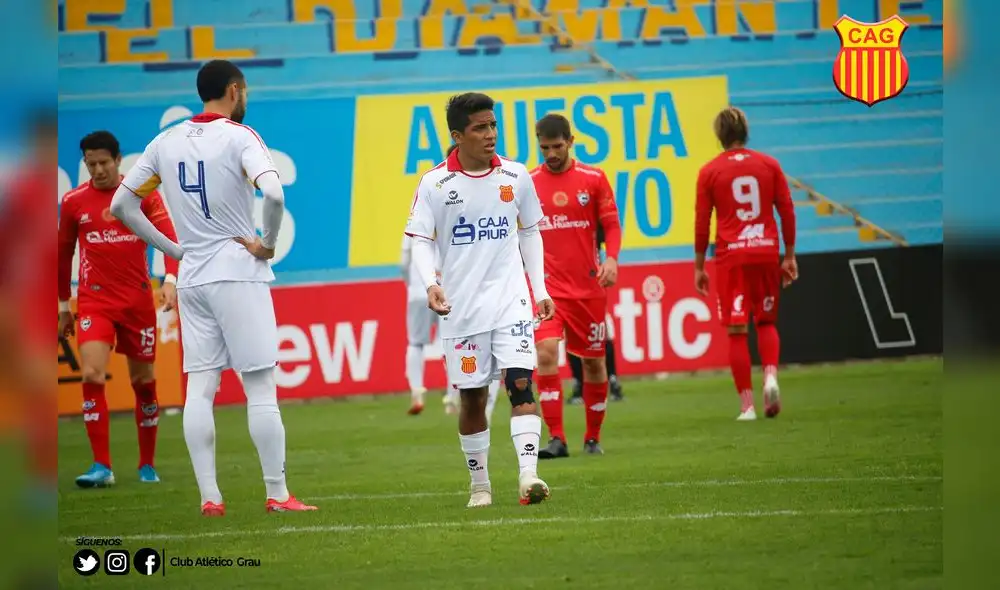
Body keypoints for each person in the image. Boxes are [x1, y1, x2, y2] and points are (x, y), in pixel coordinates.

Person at [110, 59, 316, 515]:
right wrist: (266, 245)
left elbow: (122, 204)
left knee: (200, 387)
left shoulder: (166, 141)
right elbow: (276, 194)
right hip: (238, 272)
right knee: (260, 386)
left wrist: (173, 249)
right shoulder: (241, 137)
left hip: (193, 278)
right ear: (235, 90)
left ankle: (210, 497)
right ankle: (277, 493)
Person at [404, 92, 554, 508]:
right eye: (480, 128)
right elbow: (418, 238)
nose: (490, 135)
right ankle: (481, 486)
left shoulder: (515, 175)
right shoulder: (435, 183)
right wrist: (430, 282)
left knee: (522, 385)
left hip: (511, 302)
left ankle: (529, 477)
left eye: (493, 126)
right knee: (472, 397)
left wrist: (538, 289)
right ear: (458, 135)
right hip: (461, 310)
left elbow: (530, 231)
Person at [58, 130, 180, 487]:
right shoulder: (74, 202)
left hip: (138, 301)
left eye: (103, 162)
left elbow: (170, 237)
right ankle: (102, 466)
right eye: (90, 164)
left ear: (117, 160)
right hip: (95, 300)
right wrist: (65, 303)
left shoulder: (140, 196)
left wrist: (170, 282)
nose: (97, 170)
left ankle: (147, 465)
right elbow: (62, 255)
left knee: (143, 382)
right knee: (92, 374)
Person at [694, 106, 798, 421]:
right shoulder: (769, 164)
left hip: (731, 255)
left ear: (719, 136)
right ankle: (770, 376)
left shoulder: (710, 171)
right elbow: (787, 211)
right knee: (765, 322)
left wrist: (699, 265)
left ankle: (748, 405)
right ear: (745, 132)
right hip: (766, 251)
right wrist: (789, 255)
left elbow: (702, 222)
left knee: (737, 331)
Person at [528, 114, 621, 459]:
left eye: (557, 146)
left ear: (571, 141)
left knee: (595, 365)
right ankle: (557, 438)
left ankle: (593, 438)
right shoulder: (529, 182)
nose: (550, 153)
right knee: (547, 353)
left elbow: (611, 225)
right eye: (544, 147)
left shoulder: (594, 179)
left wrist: (611, 259)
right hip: (547, 290)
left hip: (588, 287)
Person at [566, 224, 624, 405]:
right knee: (572, 332)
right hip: (566, 280)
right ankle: (579, 383)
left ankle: (612, 379)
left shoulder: (588, 212)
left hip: (591, 278)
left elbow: (608, 230)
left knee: (603, 330)